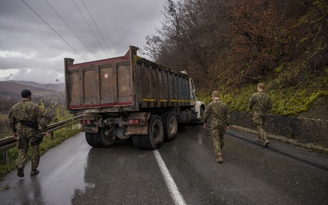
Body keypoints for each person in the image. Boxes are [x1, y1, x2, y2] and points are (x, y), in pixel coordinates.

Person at [8, 89, 48, 177]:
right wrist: (45, 130)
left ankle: (21, 165)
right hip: (33, 131)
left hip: (21, 131)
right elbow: (41, 119)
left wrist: (14, 131)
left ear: (22, 96)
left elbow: (11, 120)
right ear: (30, 96)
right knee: (35, 149)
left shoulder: (15, 107)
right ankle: (33, 170)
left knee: (22, 148)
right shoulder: (35, 106)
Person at [203, 91, 230, 163]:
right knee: (221, 138)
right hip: (222, 125)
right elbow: (228, 115)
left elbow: (206, 114)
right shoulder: (224, 105)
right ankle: (220, 149)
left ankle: (219, 156)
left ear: (212, 97)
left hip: (214, 125)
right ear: (218, 96)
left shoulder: (210, 104)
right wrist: (227, 124)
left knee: (216, 140)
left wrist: (205, 122)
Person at [249, 83, 272, 147]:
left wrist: (250, 108)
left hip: (257, 113)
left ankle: (265, 139)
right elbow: (270, 106)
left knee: (259, 126)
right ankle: (258, 138)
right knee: (261, 126)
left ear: (258, 87)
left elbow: (251, 103)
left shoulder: (255, 95)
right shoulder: (267, 96)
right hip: (264, 113)